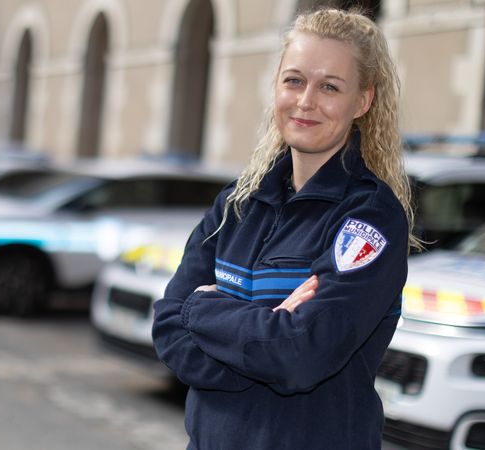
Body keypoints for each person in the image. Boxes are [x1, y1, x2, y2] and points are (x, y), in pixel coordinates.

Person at [152, 7, 419, 450]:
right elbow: (167, 330)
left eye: (330, 87)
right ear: (276, 85)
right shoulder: (236, 203)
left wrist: (201, 312)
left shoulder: (369, 219)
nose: (306, 101)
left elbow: (302, 356)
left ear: (363, 102)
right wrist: (267, 338)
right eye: (294, 80)